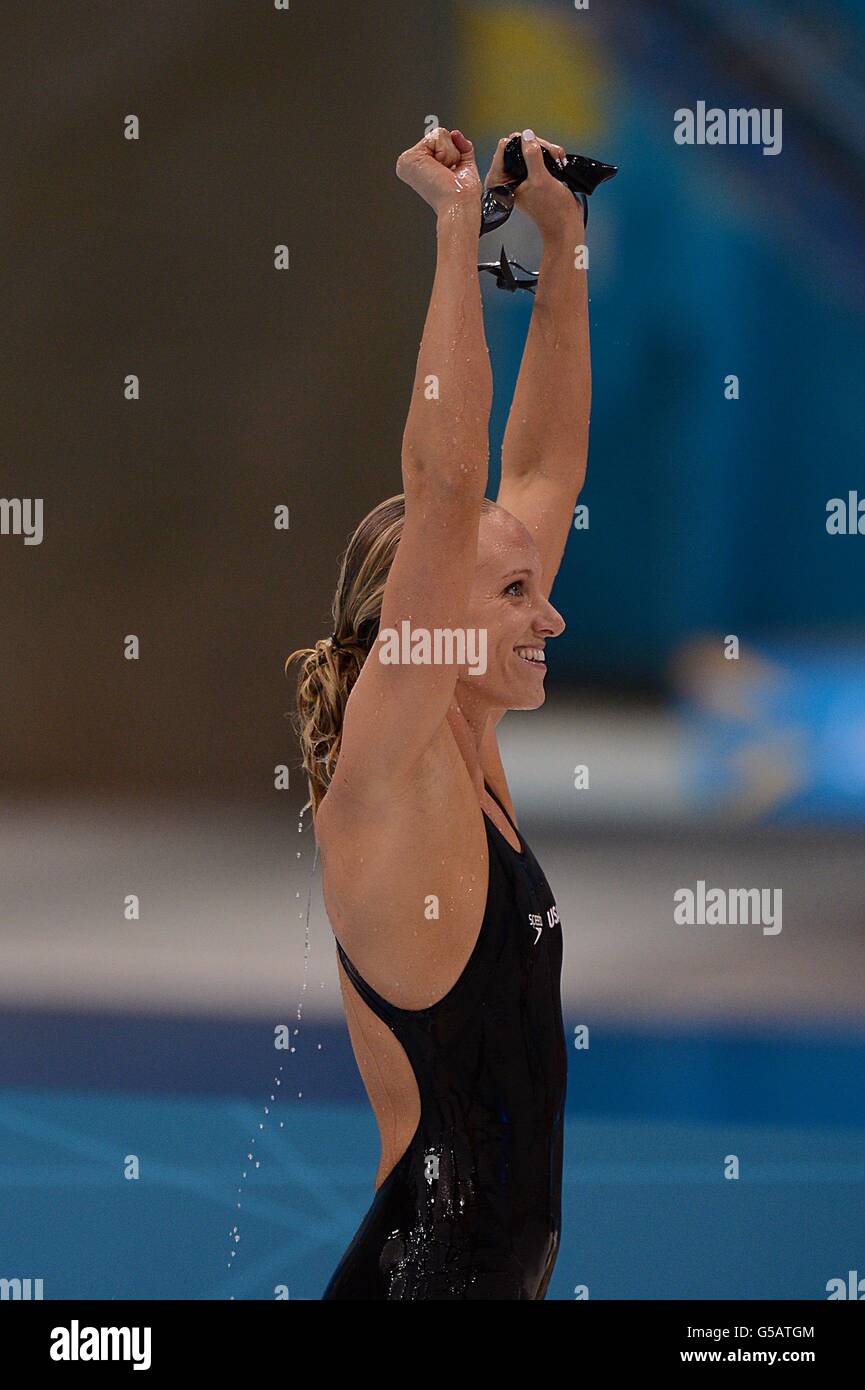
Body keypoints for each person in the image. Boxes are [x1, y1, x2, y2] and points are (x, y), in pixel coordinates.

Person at [287, 125, 591, 1299]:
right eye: (512, 594)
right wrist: (459, 224)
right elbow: (450, 483)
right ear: (420, 623)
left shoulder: (467, 746)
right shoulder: (391, 761)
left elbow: (544, 467)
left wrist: (560, 245)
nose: (547, 616)